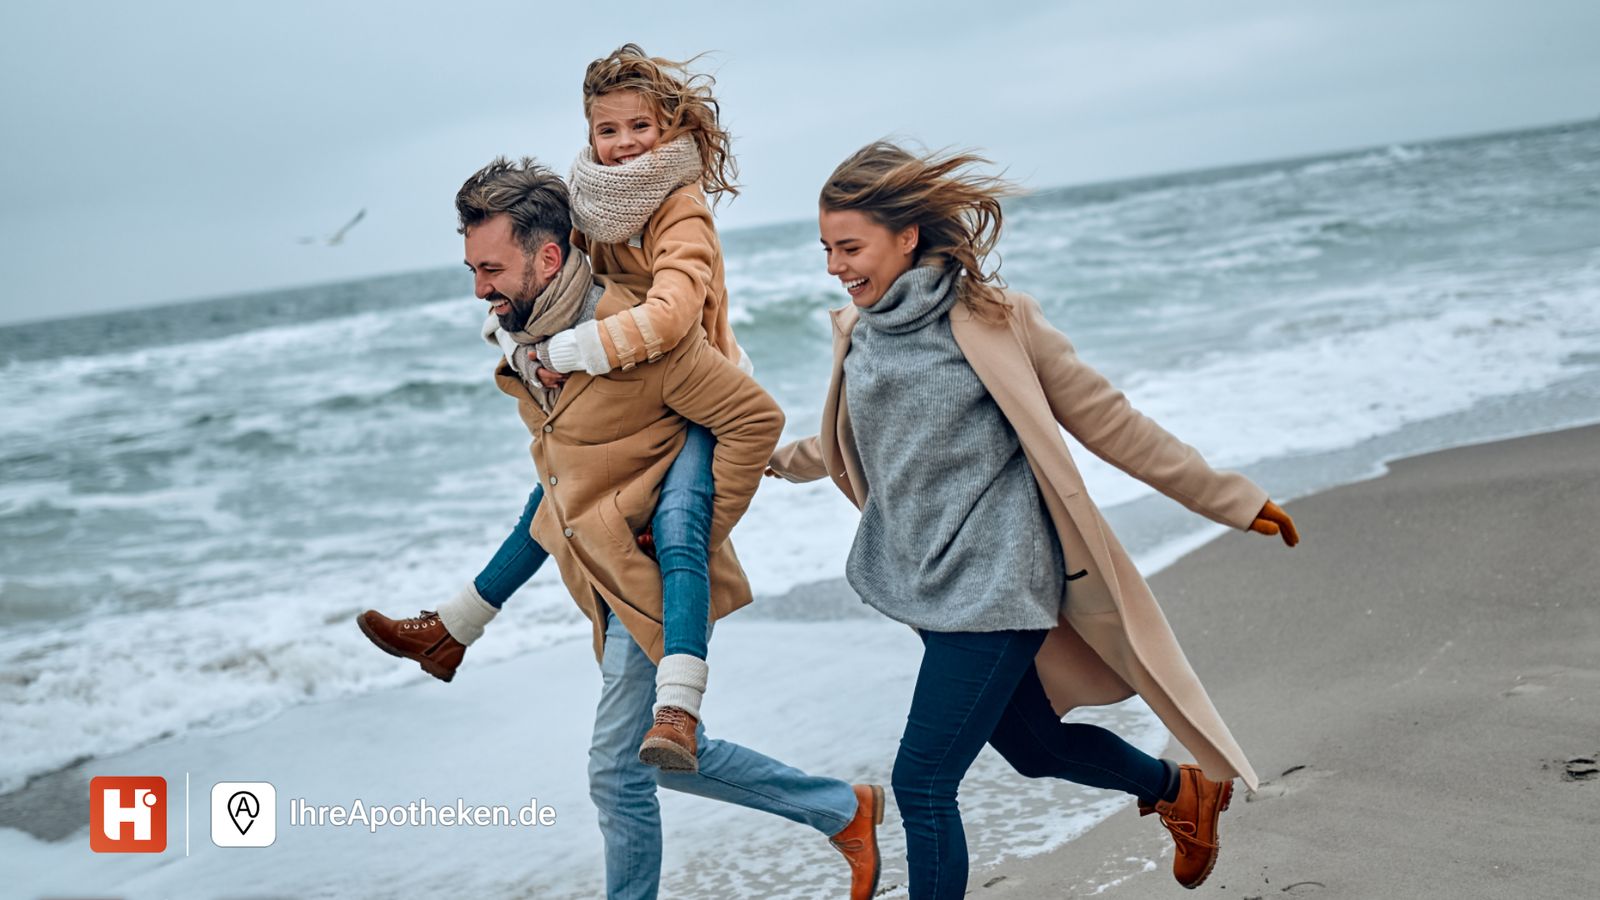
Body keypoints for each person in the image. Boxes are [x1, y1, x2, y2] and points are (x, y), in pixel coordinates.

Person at [765, 141, 1301, 897]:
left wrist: (1232, 499)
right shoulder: (861, 332)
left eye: (849, 247)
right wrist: (769, 460)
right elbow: (853, 436)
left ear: (907, 236)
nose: (834, 266)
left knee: (921, 781)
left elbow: (1109, 420)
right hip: (927, 579)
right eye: (826, 249)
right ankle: (1179, 792)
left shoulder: (992, 320)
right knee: (1032, 744)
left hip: (1001, 577)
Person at [362, 158, 883, 900]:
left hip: (653, 582)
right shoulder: (529, 339)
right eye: (473, 268)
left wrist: (697, 531)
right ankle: (841, 810)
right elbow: (561, 480)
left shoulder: (632, 336)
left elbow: (754, 418)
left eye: (490, 268)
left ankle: (835, 813)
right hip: (597, 576)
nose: (479, 287)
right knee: (652, 756)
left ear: (548, 258)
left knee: (616, 773)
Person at [365, 43, 745, 775]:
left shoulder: (681, 210)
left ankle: (682, 705)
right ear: (590, 134)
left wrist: (566, 354)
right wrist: (515, 339)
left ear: (671, 128)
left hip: (690, 388)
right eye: (609, 130)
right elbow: (555, 278)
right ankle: (452, 629)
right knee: (552, 494)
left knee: (677, 527)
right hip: (626, 380)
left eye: (642, 127)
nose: (625, 143)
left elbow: (668, 316)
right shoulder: (596, 198)